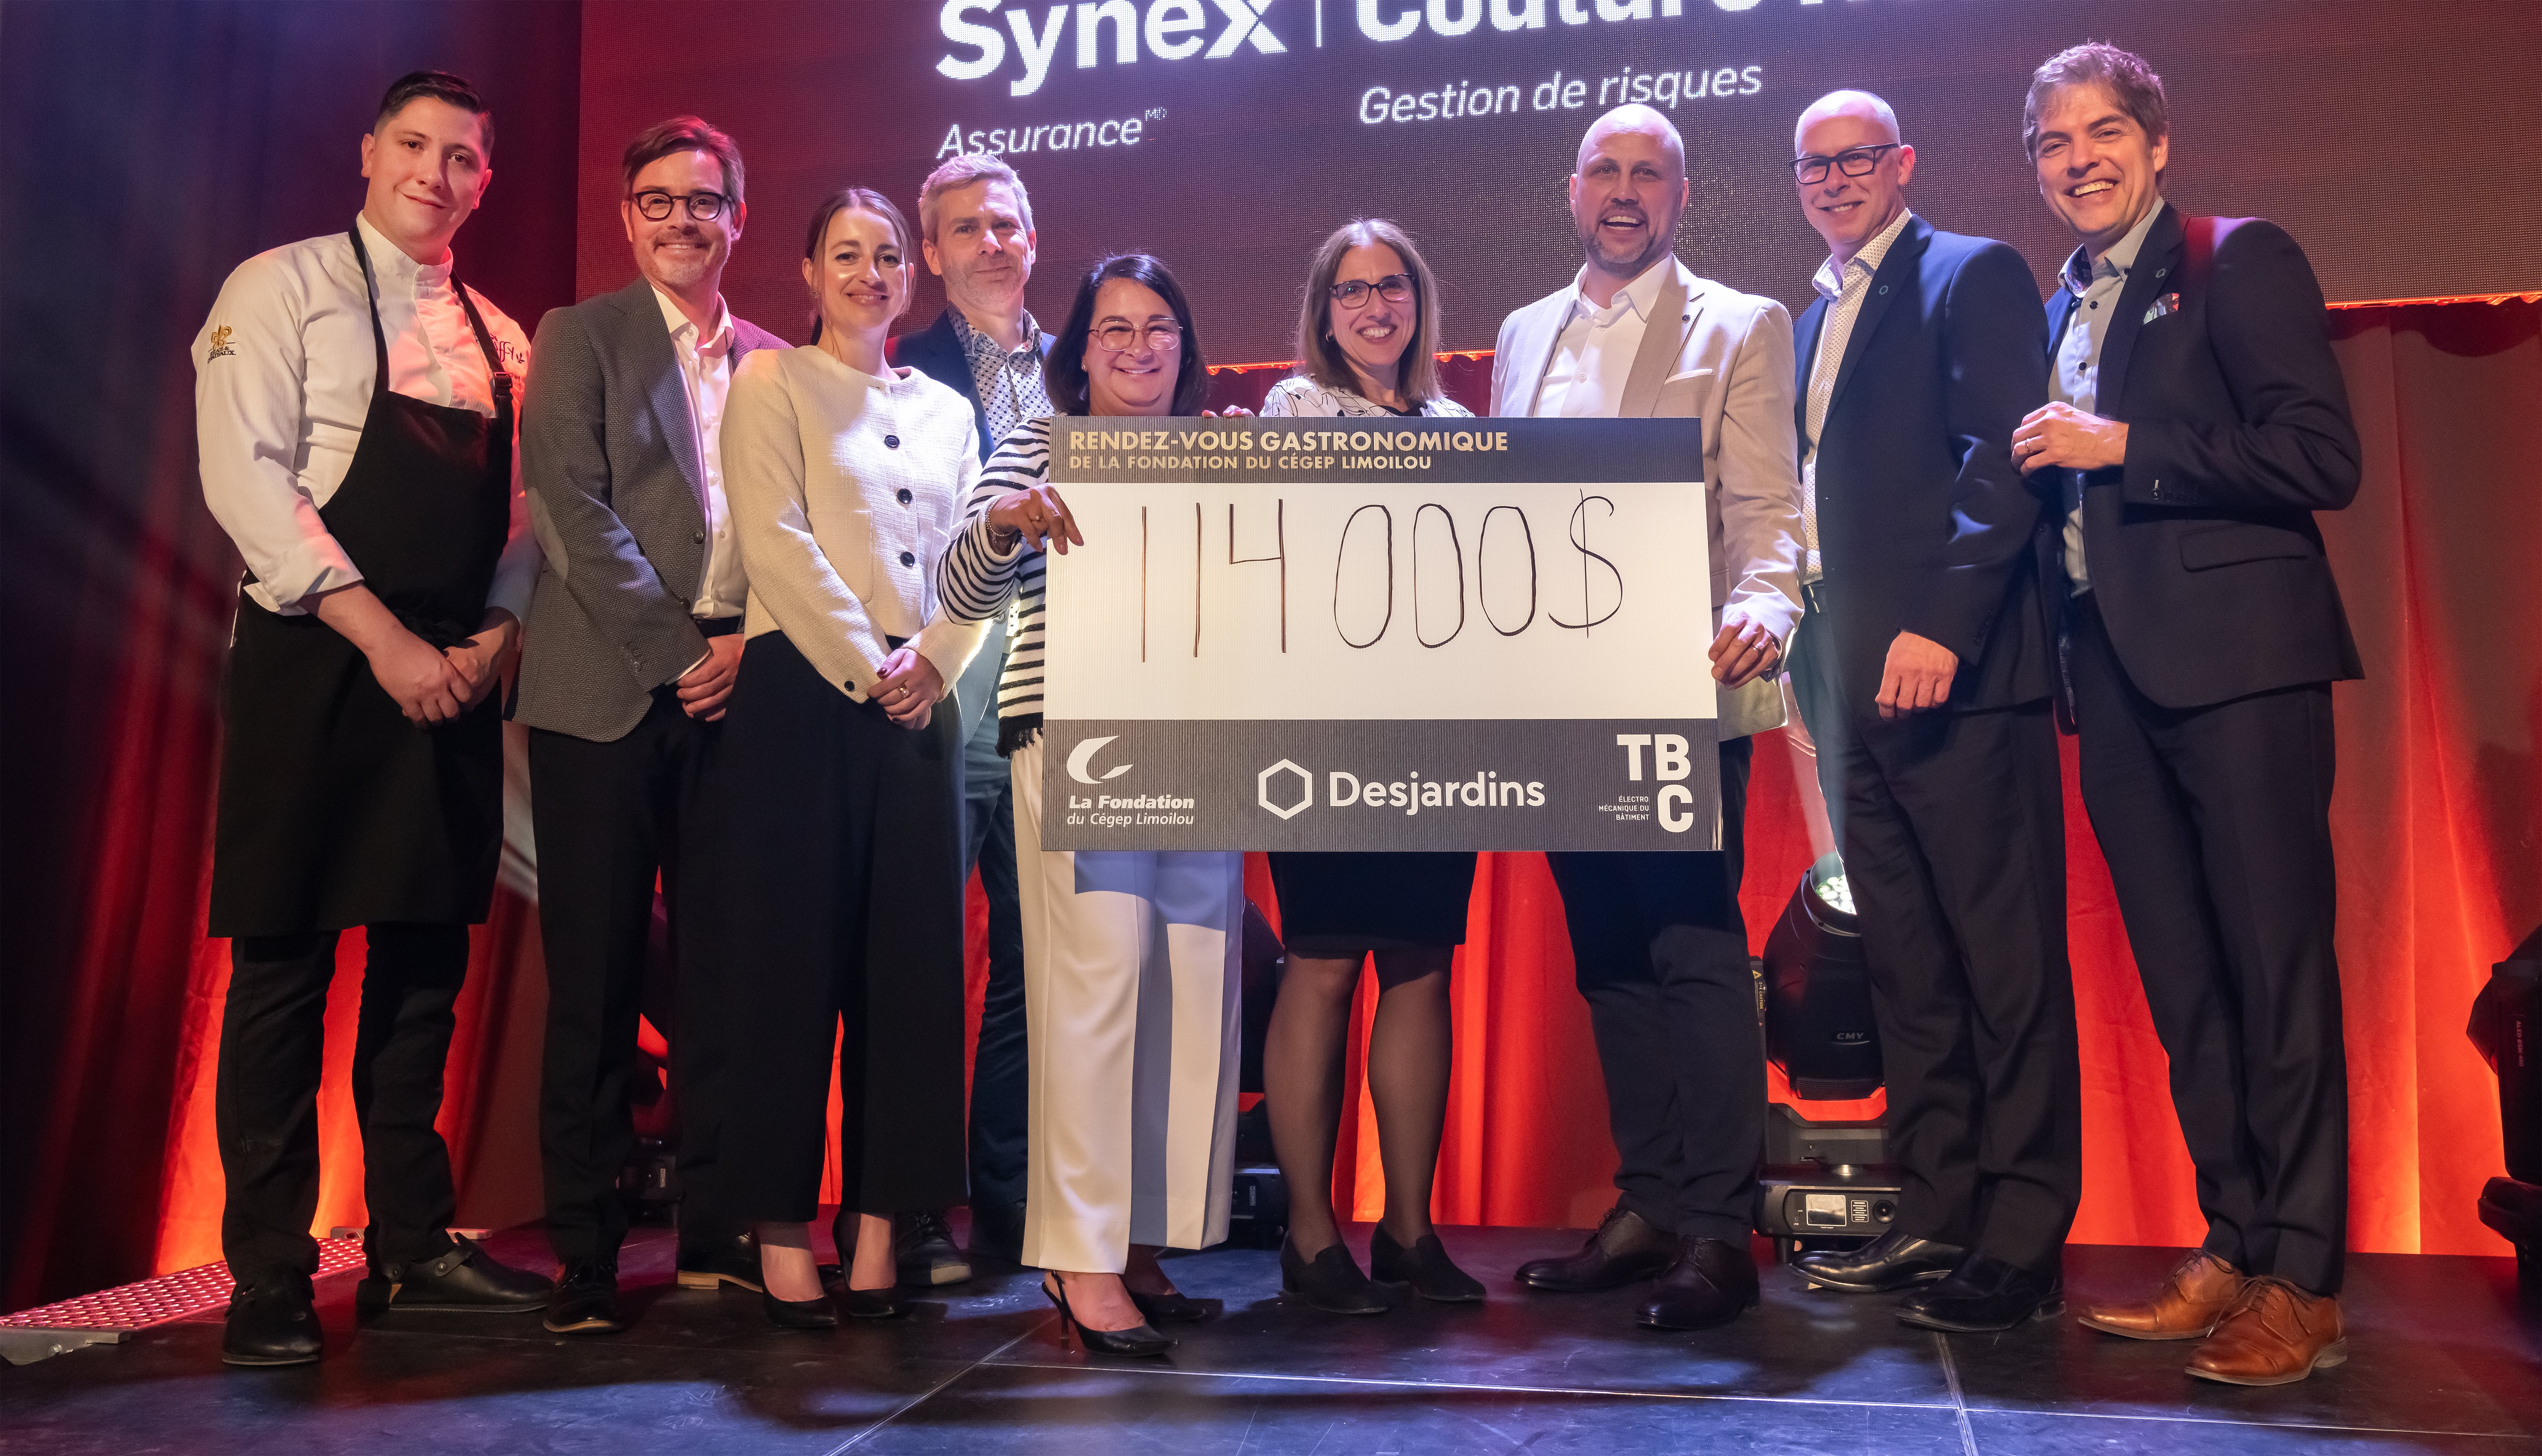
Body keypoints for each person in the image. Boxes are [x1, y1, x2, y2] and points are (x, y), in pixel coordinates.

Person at [2013, 43, 2362, 1386]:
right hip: (2108, 673)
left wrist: (2124, 449)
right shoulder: (2061, 304)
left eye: (2103, 133)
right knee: (2183, 982)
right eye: (2053, 142)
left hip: (2241, 665)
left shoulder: (2235, 257)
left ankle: (2309, 1278)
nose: (2079, 158)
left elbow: (2318, 455)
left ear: (2156, 145)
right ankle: (2236, 1235)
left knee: (2275, 972)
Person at [191, 70, 552, 1366]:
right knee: (283, 973)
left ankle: (411, 1245)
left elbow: (523, 527)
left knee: (421, 980)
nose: (436, 173)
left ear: (485, 179)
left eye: (463, 155)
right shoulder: (275, 288)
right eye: (415, 145)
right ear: (368, 151)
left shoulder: (506, 338)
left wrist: (491, 640)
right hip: (314, 661)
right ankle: (273, 1274)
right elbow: (251, 481)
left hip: (452, 673)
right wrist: (387, 641)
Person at [1488, 104, 1804, 1332]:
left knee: (1689, 939)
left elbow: (1769, 507)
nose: (1624, 191)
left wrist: (1768, 606)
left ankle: (1720, 1229)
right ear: (1571, 190)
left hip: (1681, 682)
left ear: (1683, 198)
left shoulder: (1740, 322)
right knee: (1608, 948)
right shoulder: (1522, 332)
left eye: (1649, 174)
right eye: (1604, 170)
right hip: (1557, 693)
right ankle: (1652, 1199)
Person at [1772, 91, 2078, 1333]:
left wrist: (1940, 626)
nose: (1837, 179)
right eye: (1814, 164)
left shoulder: (1970, 273)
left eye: (1858, 158)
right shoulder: (1808, 320)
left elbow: (2000, 457)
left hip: (1952, 671)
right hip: (1843, 679)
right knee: (1905, 960)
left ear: (1902, 163)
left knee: (2001, 961)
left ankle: (2022, 1229)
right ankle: (1940, 1208)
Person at [938, 253, 1243, 1356]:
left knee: (1188, 993)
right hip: (1078, 739)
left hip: (1208, 746)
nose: (1137, 347)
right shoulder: (1033, 444)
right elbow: (956, 588)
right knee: (1098, 990)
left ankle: (1143, 1235)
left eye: (1159, 326)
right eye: (1113, 328)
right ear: (1078, 349)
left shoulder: (1226, 454)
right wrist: (1010, 520)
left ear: (1185, 344)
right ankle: (1075, 1250)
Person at [514, 116, 788, 1336]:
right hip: (606, 697)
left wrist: (743, 648)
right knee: (597, 978)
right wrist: (682, 654)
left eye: (706, 200)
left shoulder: (782, 359)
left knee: (733, 979)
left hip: (743, 701)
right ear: (627, 217)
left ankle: (722, 1231)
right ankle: (583, 1250)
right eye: (659, 199)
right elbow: (570, 512)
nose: (683, 219)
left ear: (742, 216)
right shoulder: (580, 335)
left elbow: (796, 529)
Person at [701, 188, 987, 1328]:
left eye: (884, 258)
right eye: (844, 256)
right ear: (808, 274)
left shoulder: (952, 412)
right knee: (788, 968)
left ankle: (879, 1232)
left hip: (922, 706)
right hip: (806, 696)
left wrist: (936, 661)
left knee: (910, 980)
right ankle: (777, 1231)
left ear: (906, 278)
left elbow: (976, 551)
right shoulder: (771, 381)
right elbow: (772, 535)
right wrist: (874, 662)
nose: (868, 274)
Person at [1259, 218, 1484, 1315]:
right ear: (1322, 310)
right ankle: (1310, 1233)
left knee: (1421, 961)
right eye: (1349, 291)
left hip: (1436, 731)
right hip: (1321, 728)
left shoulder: (1458, 425)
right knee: (1323, 960)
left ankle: (1407, 1228)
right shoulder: (1290, 411)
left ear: (1417, 299)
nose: (1373, 307)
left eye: (1390, 286)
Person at [882, 152, 1053, 1274]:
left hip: (1065, 685)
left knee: (1040, 960)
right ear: (932, 253)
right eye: (966, 228)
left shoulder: (1087, 358)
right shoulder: (898, 372)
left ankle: (1009, 1196)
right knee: (923, 948)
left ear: (1032, 236)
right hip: (946, 681)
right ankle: (903, 1197)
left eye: (1008, 222)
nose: (991, 242)